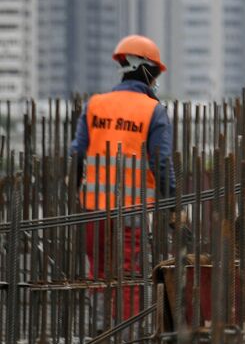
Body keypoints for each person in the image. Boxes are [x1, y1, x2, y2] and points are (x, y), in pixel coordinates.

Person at [70, 35, 177, 318]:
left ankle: (100, 329)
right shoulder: (153, 110)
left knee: (99, 271)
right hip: (131, 209)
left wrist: (77, 194)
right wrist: (174, 206)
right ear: (146, 70)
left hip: (92, 208)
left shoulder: (96, 104)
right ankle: (123, 338)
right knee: (128, 275)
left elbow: (78, 155)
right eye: (154, 73)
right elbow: (162, 163)